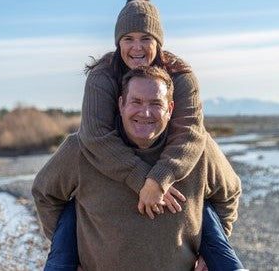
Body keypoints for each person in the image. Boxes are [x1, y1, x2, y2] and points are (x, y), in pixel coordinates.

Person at [32, 66, 245, 271]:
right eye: (136, 101)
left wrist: (209, 254)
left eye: (156, 103)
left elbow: (229, 194)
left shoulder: (199, 150)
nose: (145, 112)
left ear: (170, 109)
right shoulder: (80, 150)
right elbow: (45, 194)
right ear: (121, 104)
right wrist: (70, 253)